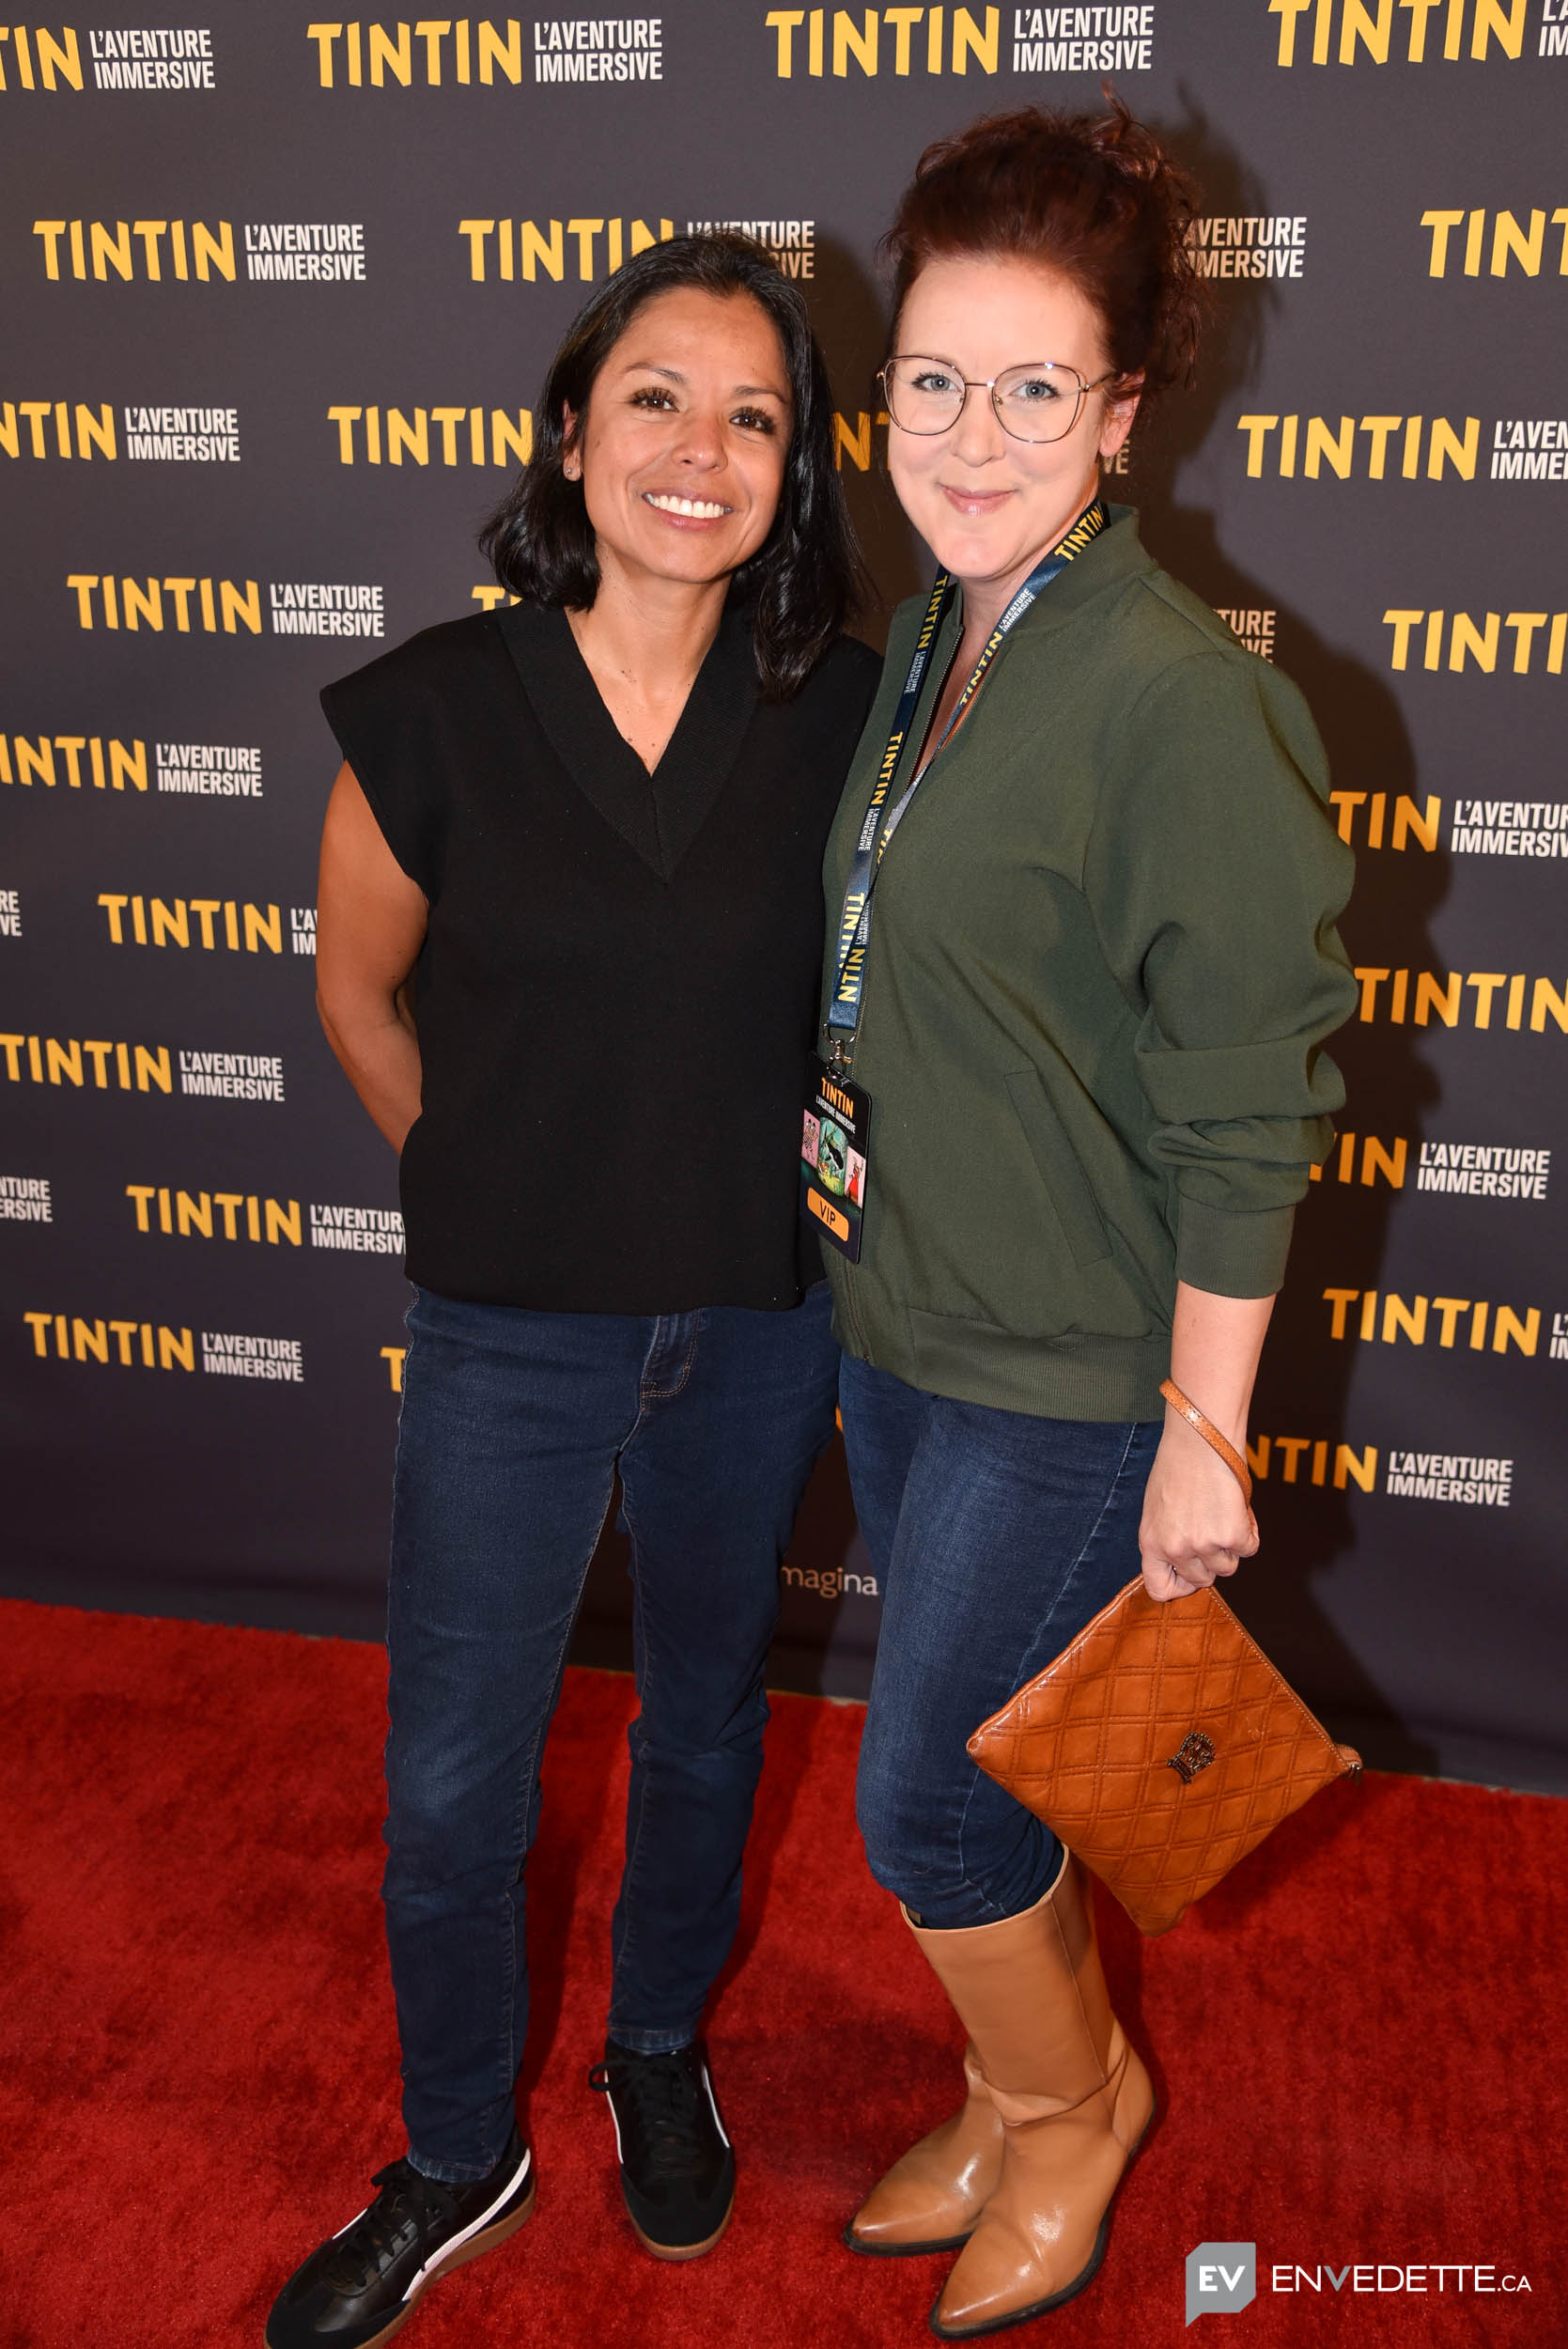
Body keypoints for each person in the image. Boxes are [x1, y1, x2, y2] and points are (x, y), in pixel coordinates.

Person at [265, 233, 877, 2349]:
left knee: (709, 1719)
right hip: (510, 1338)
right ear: (570, 427)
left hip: (757, 1328)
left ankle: (651, 2051)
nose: (696, 449)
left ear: (794, 473)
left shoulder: (844, 714)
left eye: (752, 414)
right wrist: (492, 1190)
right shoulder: (437, 699)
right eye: (653, 396)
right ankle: (458, 2147)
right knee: (452, 1772)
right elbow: (355, 989)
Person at [820, 105, 1357, 2338]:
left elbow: (1253, 1114)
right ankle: (1007, 2071)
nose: (971, 433)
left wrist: (1202, 1439)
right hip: (902, 1324)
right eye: (934, 378)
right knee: (981, 1782)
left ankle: (1076, 2113)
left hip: (1066, 1372)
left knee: (930, 1808)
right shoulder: (930, 642)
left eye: (1034, 387)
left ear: (1122, 413)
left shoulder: (1183, 703)